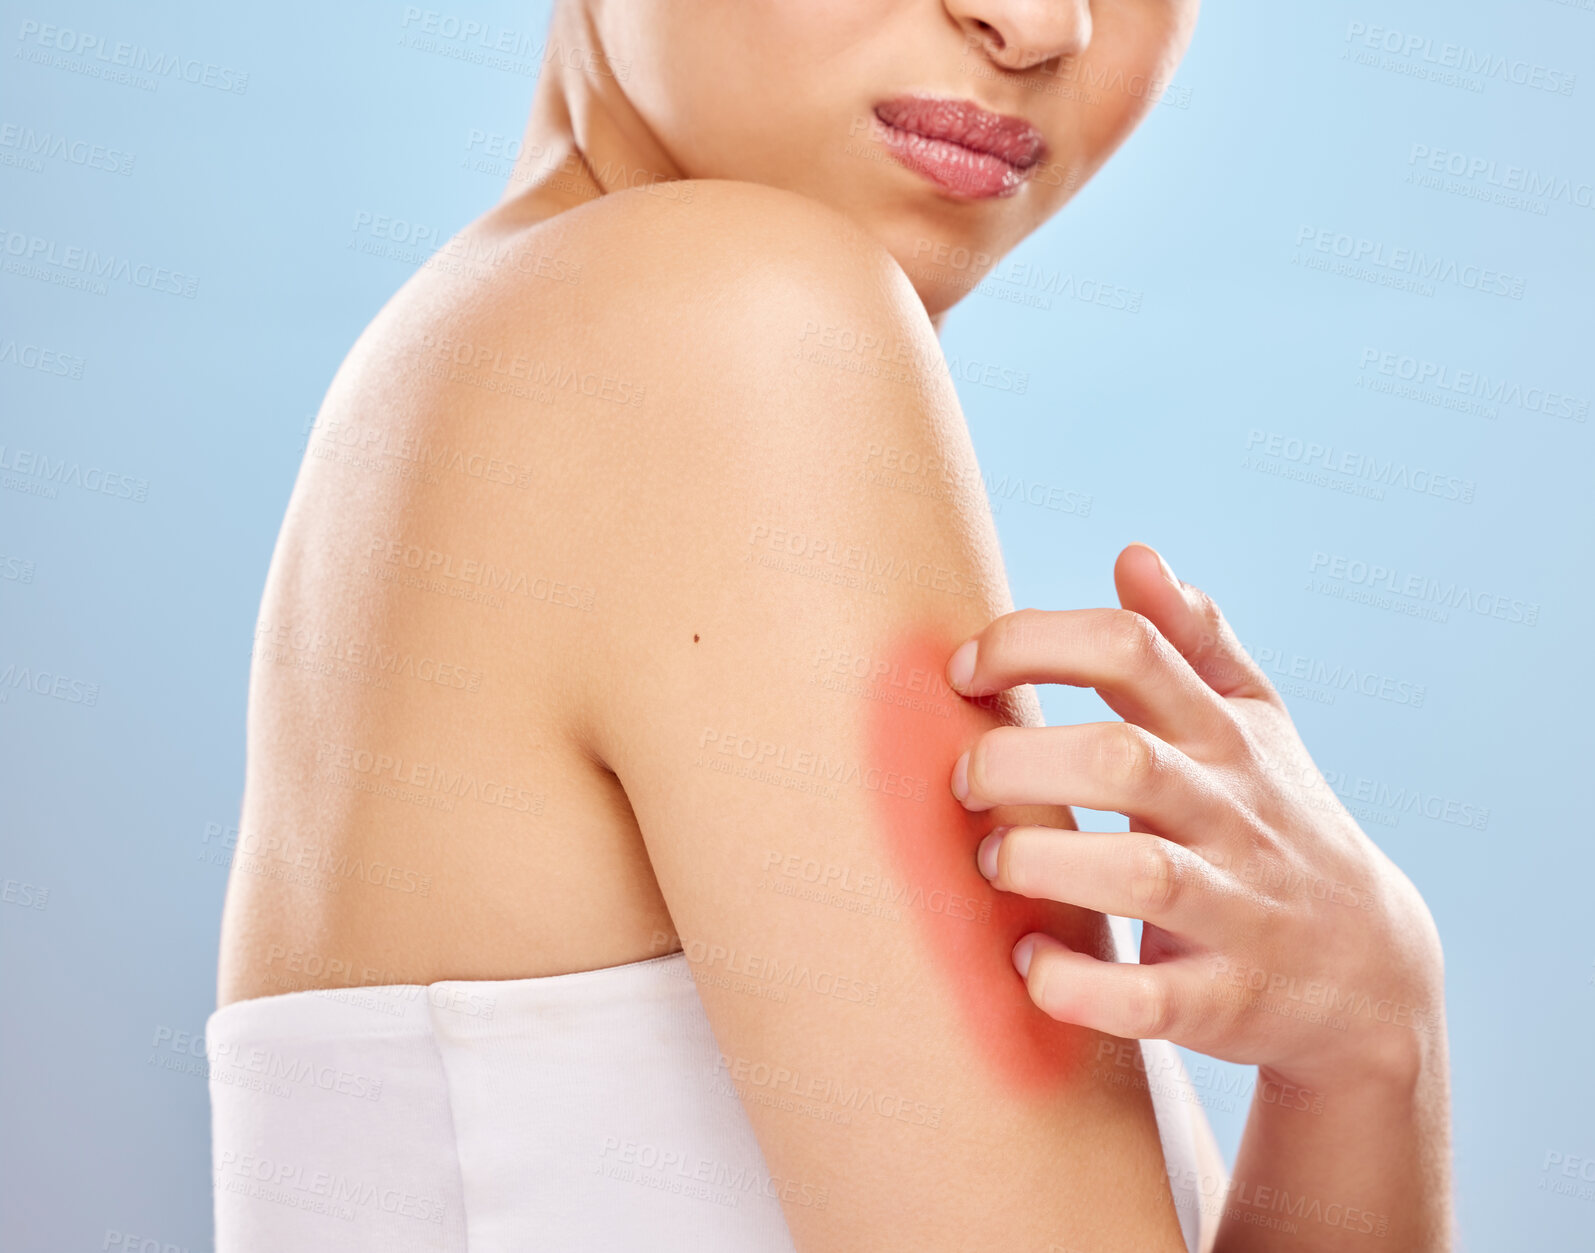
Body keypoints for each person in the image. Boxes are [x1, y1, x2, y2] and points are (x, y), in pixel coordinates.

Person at [211, 2, 1453, 1249]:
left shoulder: (481, 361)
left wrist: (1363, 1060)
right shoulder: (715, 320)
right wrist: (1373, 1061)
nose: (1036, 24)